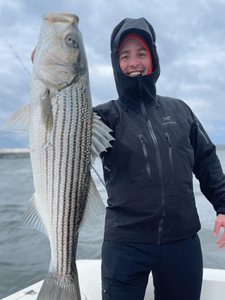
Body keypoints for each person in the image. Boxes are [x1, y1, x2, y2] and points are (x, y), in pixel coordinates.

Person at [93, 17, 225, 300]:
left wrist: (223, 205)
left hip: (183, 242)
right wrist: (51, 79)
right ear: (116, 64)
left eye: (141, 53)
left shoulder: (180, 111)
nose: (134, 62)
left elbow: (206, 160)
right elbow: (60, 128)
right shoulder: (103, 118)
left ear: (153, 58)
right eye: (125, 56)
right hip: (125, 244)